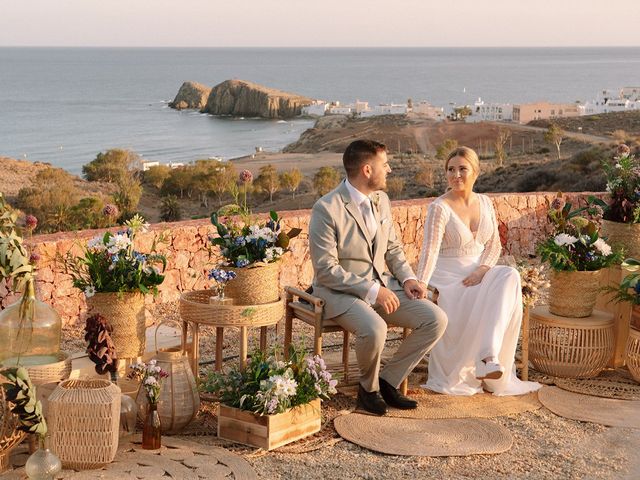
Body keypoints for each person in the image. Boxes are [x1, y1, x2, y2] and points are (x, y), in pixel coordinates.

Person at [309, 139, 448, 415]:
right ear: (367, 170)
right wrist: (372, 291)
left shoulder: (382, 200)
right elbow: (326, 269)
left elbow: (393, 248)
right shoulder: (326, 209)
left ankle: (388, 380)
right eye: (385, 164)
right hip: (340, 293)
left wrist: (408, 279)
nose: (390, 169)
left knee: (435, 319)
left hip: (385, 287)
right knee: (375, 328)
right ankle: (368, 390)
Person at [416, 146, 541, 396]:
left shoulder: (485, 202)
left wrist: (483, 270)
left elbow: (494, 245)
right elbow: (429, 251)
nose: (456, 175)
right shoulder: (438, 208)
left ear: (476, 172)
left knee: (509, 275)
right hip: (450, 278)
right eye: (451, 169)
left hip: (479, 271)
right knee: (498, 286)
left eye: (462, 169)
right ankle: (485, 360)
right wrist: (421, 284)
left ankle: (487, 358)